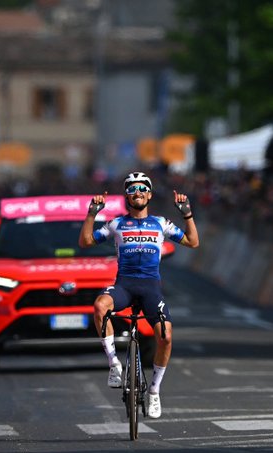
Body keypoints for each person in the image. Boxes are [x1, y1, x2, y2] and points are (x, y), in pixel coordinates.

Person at [78, 171, 199, 419]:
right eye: (132, 189)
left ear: (150, 194)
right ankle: (114, 363)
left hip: (150, 289)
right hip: (124, 285)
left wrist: (187, 214)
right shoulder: (117, 223)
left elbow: (192, 242)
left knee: (165, 335)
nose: (138, 193)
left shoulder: (161, 223)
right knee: (100, 306)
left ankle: (154, 390)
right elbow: (86, 242)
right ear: (126, 196)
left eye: (142, 188)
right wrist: (92, 213)